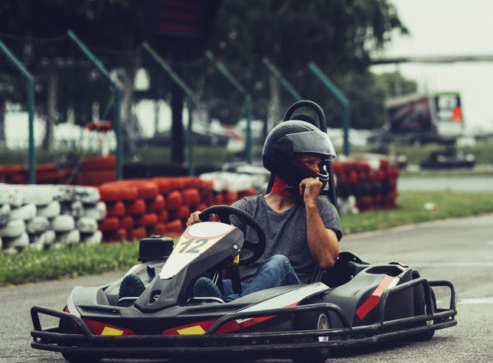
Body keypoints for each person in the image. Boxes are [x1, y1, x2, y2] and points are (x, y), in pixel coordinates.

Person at [119, 119, 342, 302]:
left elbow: (327, 260)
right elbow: (217, 253)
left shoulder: (322, 209)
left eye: (320, 165)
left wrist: (310, 205)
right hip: (238, 290)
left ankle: (224, 308)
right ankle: (144, 300)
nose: (317, 171)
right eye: (312, 163)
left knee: (278, 263)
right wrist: (199, 232)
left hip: (290, 296)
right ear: (286, 164)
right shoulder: (246, 207)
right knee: (201, 273)